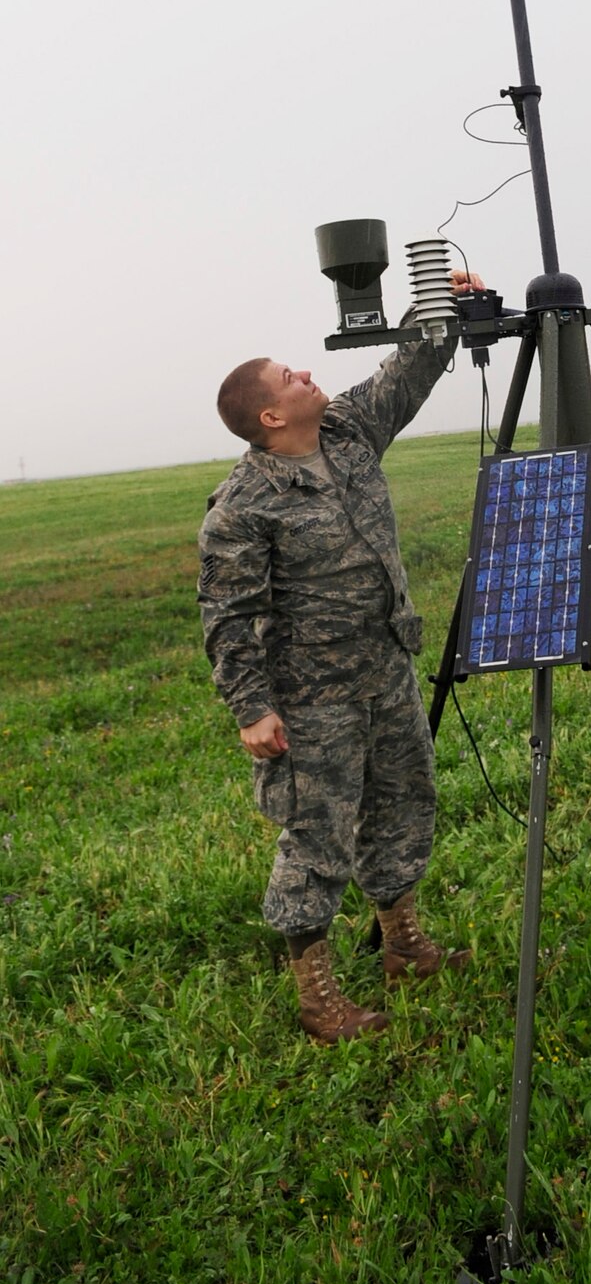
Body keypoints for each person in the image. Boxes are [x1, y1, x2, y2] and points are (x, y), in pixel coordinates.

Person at [197, 283, 482, 1043]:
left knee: (404, 800)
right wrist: (251, 709)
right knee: (317, 839)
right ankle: (320, 1000)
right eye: (290, 378)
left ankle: (404, 947)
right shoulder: (242, 506)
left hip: (384, 670)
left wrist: (444, 309)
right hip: (311, 698)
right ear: (269, 416)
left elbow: (406, 373)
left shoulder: (351, 432)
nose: (306, 377)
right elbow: (229, 616)